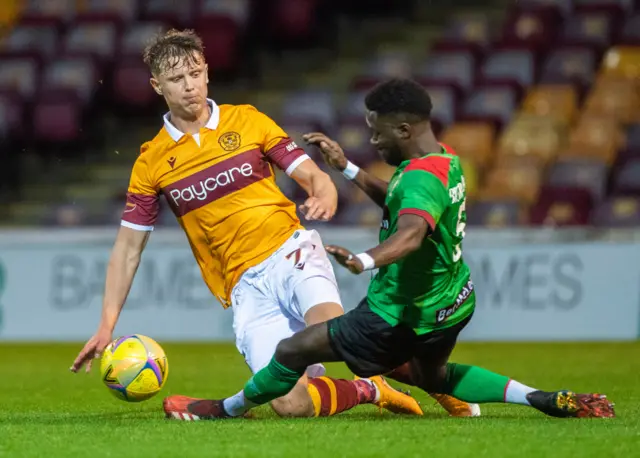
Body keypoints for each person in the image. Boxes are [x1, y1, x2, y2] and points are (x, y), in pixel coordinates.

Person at [69, 30, 473, 419]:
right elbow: (127, 250)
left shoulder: (248, 121)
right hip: (244, 286)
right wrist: (107, 326)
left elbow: (311, 175)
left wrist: (323, 193)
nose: (189, 85)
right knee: (289, 404)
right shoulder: (151, 162)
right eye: (177, 79)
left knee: (346, 340)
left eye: (195, 73)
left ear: (207, 71)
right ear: (158, 86)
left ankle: (438, 386)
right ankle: (370, 389)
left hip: (291, 252)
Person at [162, 78, 615, 420]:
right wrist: (348, 168)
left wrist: (364, 260)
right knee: (429, 374)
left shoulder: (417, 178)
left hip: (395, 309)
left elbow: (411, 233)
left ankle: (220, 408)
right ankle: (539, 398)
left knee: (292, 351)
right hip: (453, 303)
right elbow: (403, 204)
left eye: (377, 134)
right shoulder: (442, 162)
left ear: (403, 127)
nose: (373, 141)